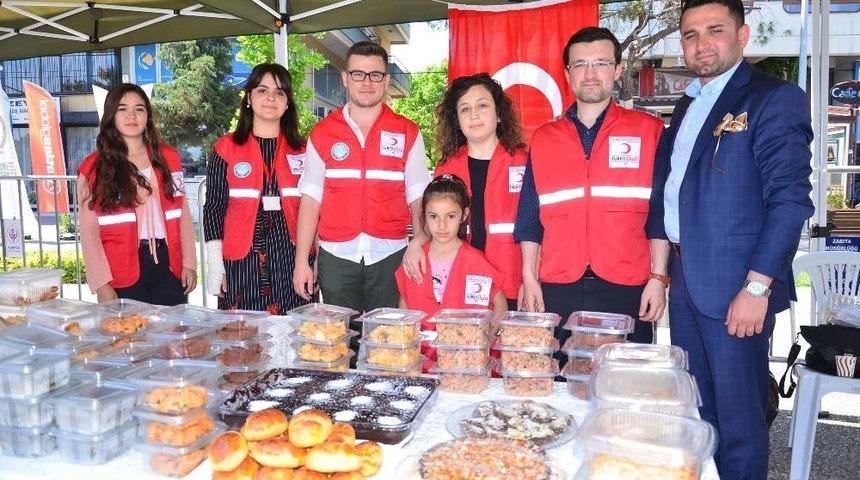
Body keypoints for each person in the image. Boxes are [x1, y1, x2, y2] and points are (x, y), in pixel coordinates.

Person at [645, 0, 814, 478]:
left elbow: (789, 202)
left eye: (714, 30)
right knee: (699, 413)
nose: (702, 44)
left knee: (740, 422)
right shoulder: (688, 104)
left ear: (742, 36)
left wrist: (757, 287)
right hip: (686, 281)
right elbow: (669, 191)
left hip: (738, 286)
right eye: (690, 34)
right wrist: (661, 274)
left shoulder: (773, 99)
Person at [514, 27, 666, 348]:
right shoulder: (544, 139)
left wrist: (659, 278)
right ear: (567, 73)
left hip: (627, 285)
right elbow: (529, 218)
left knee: (622, 375)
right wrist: (529, 276)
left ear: (618, 69)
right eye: (580, 65)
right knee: (560, 374)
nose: (590, 74)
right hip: (558, 285)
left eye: (601, 63)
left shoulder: (648, 131)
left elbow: (660, 214)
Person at [293, 41, 429, 326]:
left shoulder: (408, 132)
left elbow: (418, 197)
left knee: (388, 339)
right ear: (345, 78)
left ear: (386, 80)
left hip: (391, 256)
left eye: (375, 75)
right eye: (358, 74)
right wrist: (302, 260)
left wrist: (419, 242)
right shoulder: (322, 133)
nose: (366, 82)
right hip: (336, 258)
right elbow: (311, 200)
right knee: (338, 341)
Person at [402, 73, 526, 310]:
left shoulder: (524, 162)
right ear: (457, 120)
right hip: (462, 287)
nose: (474, 115)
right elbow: (435, 221)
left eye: (482, 106)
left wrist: (531, 278)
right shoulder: (447, 168)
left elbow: (539, 228)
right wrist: (416, 243)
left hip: (514, 284)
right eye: (465, 109)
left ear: (499, 113)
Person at [203, 63, 311, 314]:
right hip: (241, 263)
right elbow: (214, 207)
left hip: (293, 260)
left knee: (295, 332)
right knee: (243, 334)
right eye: (262, 90)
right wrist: (215, 262)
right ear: (249, 98)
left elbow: (317, 209)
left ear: (287, 103)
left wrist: (313, 260)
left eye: (279, 92)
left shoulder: (306, 151)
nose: (271, 98)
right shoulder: (225, 148)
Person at [78, 83, 196, 305]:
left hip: (169, 265)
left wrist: (189, 262)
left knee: (171, 328)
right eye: (122, 108)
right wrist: (101, 283)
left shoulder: (169, 158)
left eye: (139, 109)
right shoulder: (93, 167)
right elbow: (88, 233)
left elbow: (183, 215)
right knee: (129, 328)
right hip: (120, 270)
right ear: (111, 114)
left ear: (148, 115)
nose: (132, 115)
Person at [395, 174, 507, 368]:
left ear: (463, 215)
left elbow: (501, 307)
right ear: (424, 216)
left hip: (466, 367)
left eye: (451, 216)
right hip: (421, 365)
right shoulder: (414, 262)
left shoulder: (477, 263)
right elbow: (404, 309)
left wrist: (484, 342)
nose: (442, 225)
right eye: (433, 216)